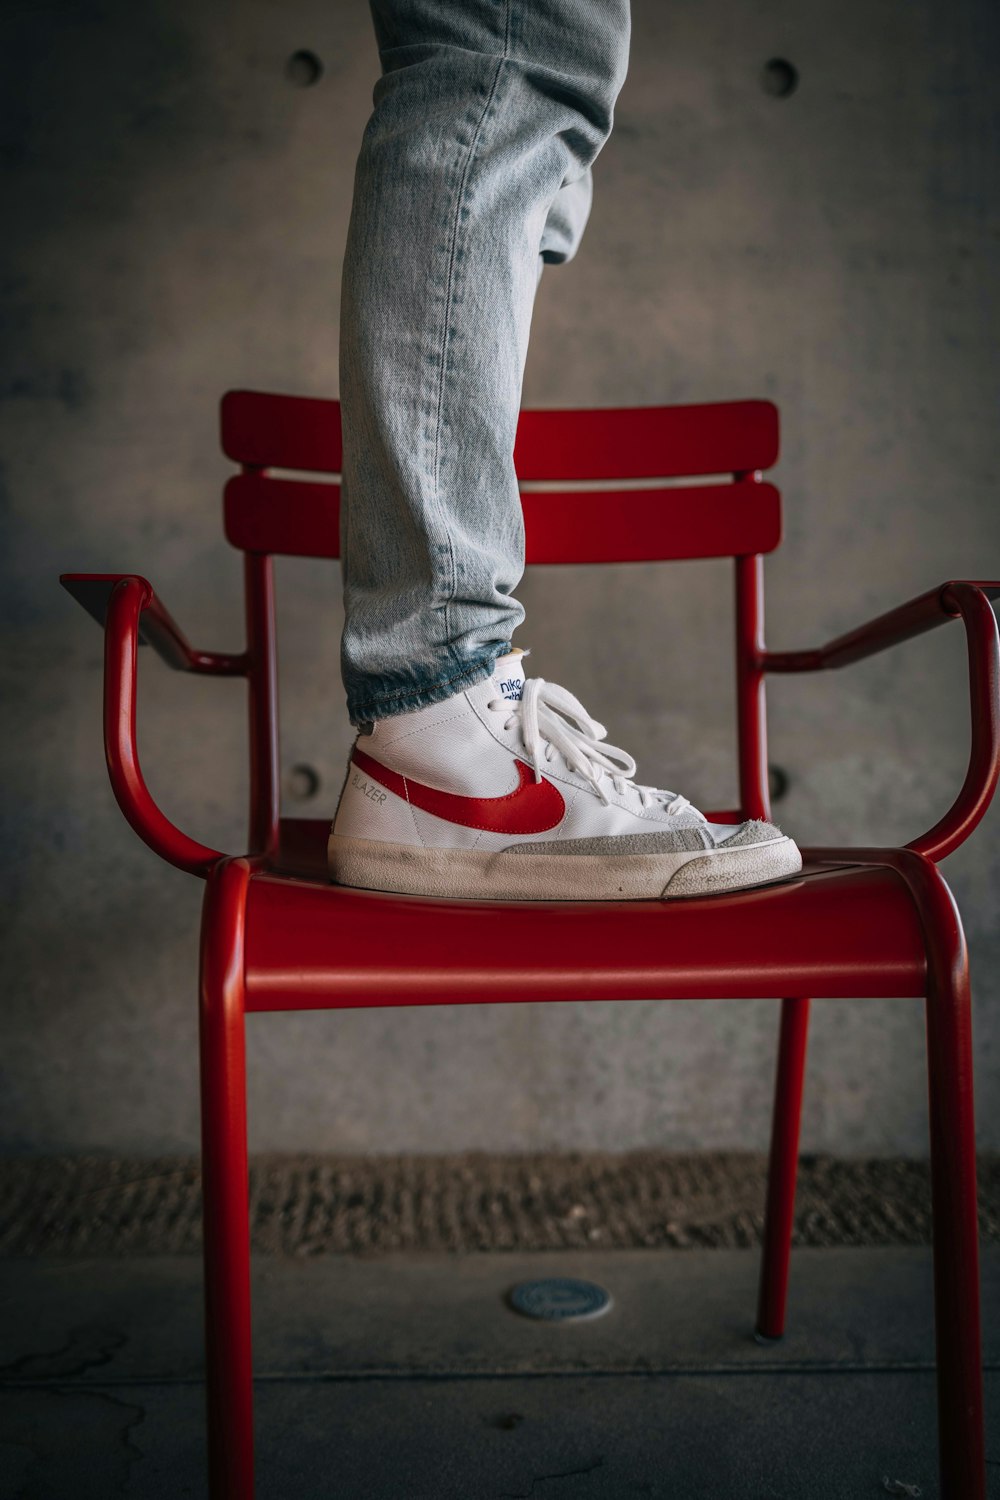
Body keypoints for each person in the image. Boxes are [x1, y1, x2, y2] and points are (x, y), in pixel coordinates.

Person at [329, 0, 801, 900]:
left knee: (534, 152)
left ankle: (431, 737)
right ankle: (438, 711)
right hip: (429, 695)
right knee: (512, 59)